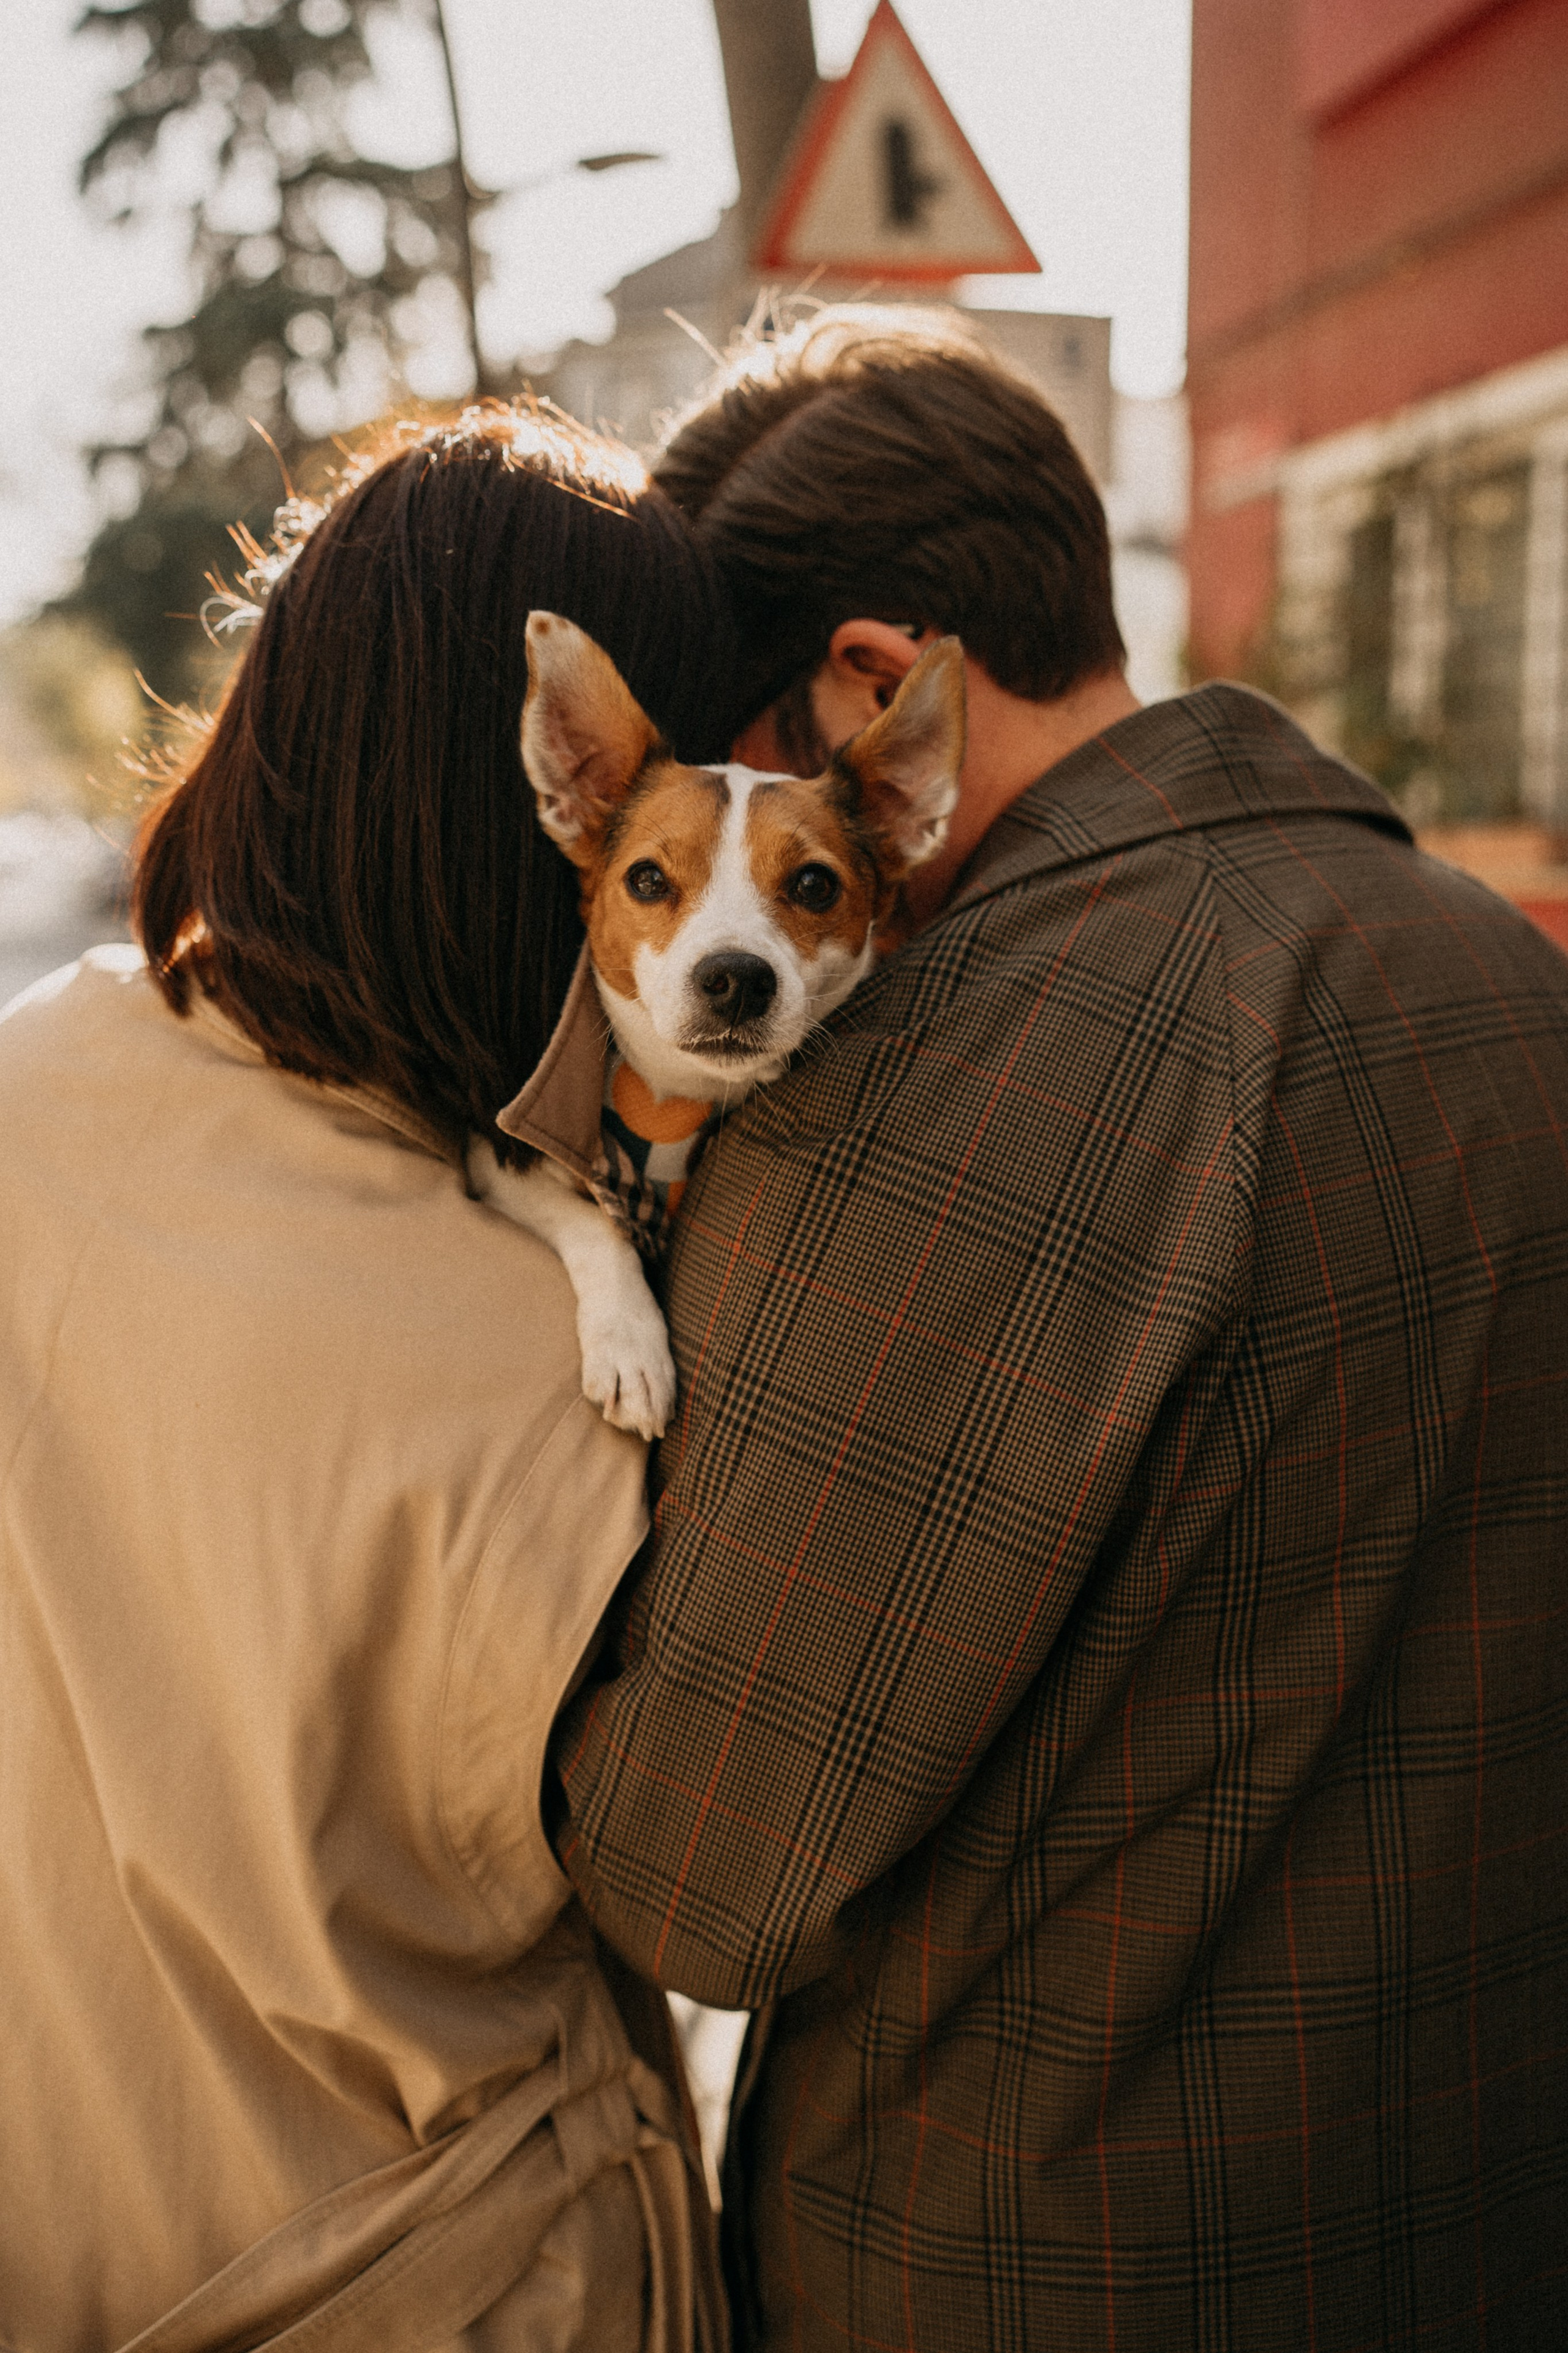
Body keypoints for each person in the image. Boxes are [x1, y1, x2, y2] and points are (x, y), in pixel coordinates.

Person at [543, 314, 1568, 2349]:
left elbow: (699, 1877)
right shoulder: (1494, 973)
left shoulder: (932, 1099)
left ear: (865, 681)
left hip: (1041, 2264)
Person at [0, 406, 735, 2351]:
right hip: (452, 2282)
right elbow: (718, 1890)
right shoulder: (559, 1362)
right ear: (553, 834)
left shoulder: (24, 1085)